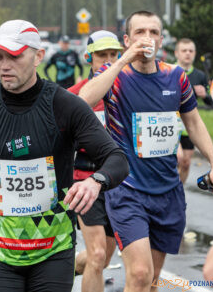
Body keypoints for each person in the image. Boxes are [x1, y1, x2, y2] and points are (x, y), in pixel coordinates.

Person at [0, 19, 129, 292]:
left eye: (14, 56)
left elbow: (116, 158)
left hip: (53, 250)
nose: (4, 65)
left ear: (39, 56)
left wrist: (95, 181)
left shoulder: (65, 105)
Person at [79, 10, 213, 292]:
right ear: (127, 39)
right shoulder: (115, 75)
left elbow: (193, 121)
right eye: (140, 32)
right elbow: (84, 102)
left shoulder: (175, 76)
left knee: (152, 280)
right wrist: (122, 60)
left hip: (167, 191)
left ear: (161, 39)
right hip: (127, 190)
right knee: (140, 273)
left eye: (154, 32)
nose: (147, 38)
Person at [68, 30, 123, 292]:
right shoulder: (76, 95)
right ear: (89, 57)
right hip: (85, 182)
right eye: (103, 55)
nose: (109, 60)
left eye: (114, 54)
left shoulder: (126, 93)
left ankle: (63, 266)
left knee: (99, 257)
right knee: (98, 254)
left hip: (118, 181)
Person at [174, 38, 213, 184]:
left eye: (191, 51)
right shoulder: (169, 72)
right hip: (171, 122)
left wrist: (205, 94)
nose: (187, 54)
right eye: (184, 50)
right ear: (177, 53)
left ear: (195, 53)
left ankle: (179, 191)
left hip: (188, 125)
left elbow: (211, 102)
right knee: (176, 158)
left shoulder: (200, 76)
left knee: (185, 162)